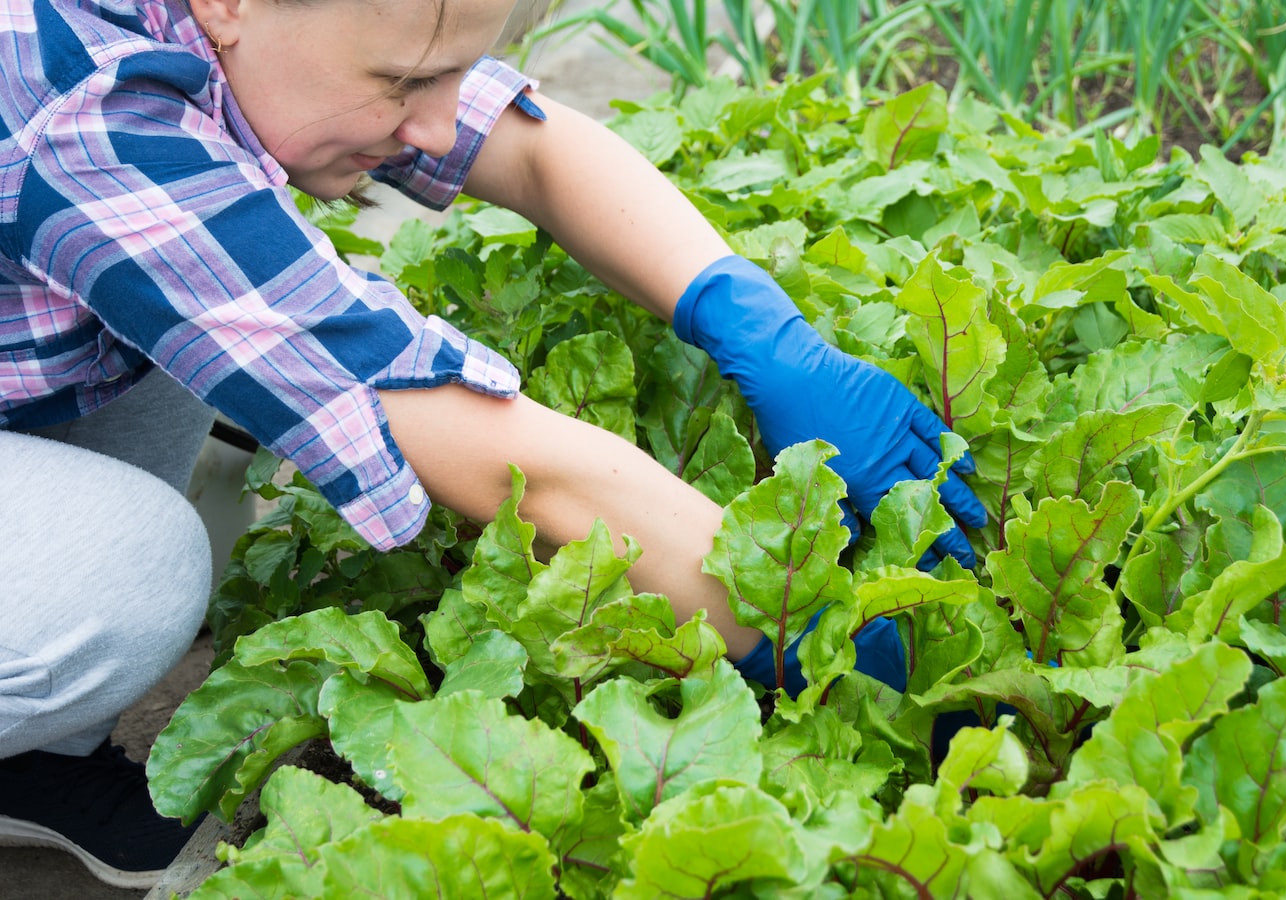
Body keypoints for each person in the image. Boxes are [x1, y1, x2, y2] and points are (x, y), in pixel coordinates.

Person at [0, 0, 986, 887]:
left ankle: (32, 759)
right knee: (135, 570)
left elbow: (534, 148)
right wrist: (815, 624)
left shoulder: (271, 33)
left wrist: (759, 329)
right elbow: (515, 465)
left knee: (193, 304)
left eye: (452, 72)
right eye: (401, 83)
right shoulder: (87, 117)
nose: (434, 123)